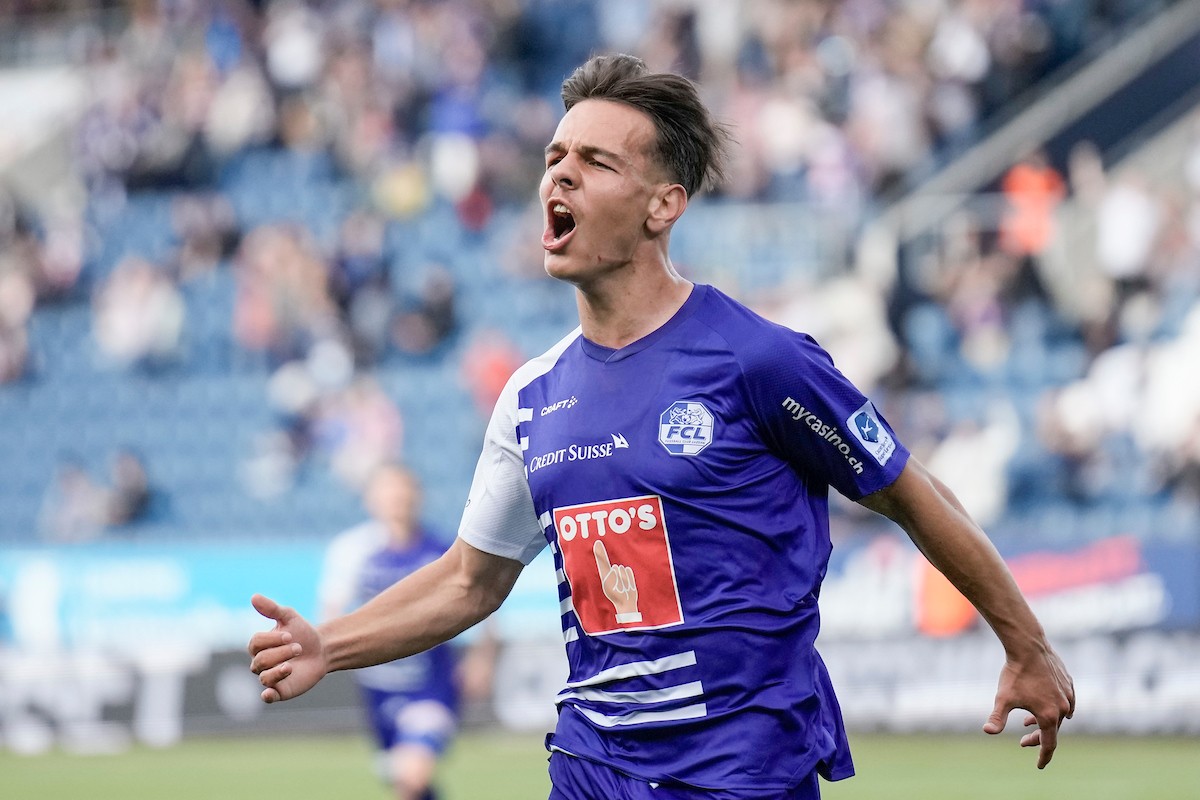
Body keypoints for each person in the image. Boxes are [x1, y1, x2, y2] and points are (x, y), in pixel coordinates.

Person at [250, 54, 1075, 799]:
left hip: (743, 773)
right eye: (554, 158)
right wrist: (329, 644)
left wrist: (1026, 644)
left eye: (595, 161)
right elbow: (470, 580)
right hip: (592, 766)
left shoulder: (759, 361)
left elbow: (912, 494)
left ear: (662, 206)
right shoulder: (531, 397)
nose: (559, 175)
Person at [317, 463, 465, 800]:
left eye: (403, 490)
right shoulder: (353, 551)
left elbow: (480, 599)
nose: (397, 498)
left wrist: (482, 659)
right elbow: (331, 613)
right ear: (371, 499)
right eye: (388, 490)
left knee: (411, 775)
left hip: (431, 685)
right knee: (407, 781)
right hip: (378, 688)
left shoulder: (442, 550)